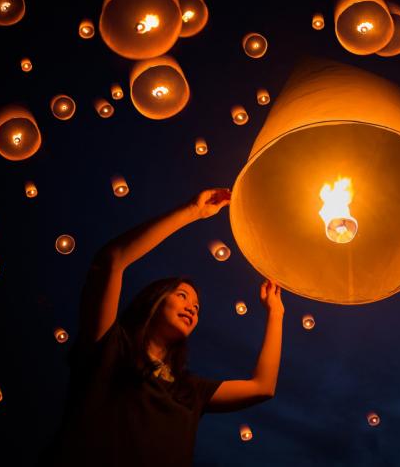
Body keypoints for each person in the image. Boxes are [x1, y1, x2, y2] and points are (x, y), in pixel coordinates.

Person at [38, 188, 285, 467]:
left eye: (197, 306)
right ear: (154, 301)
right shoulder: (109, 350)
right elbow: (111, 261)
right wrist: (192, 211)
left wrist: (276, 313)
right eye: (182, 296)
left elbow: (262, 387)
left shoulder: (188, 390)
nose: (193, 307)